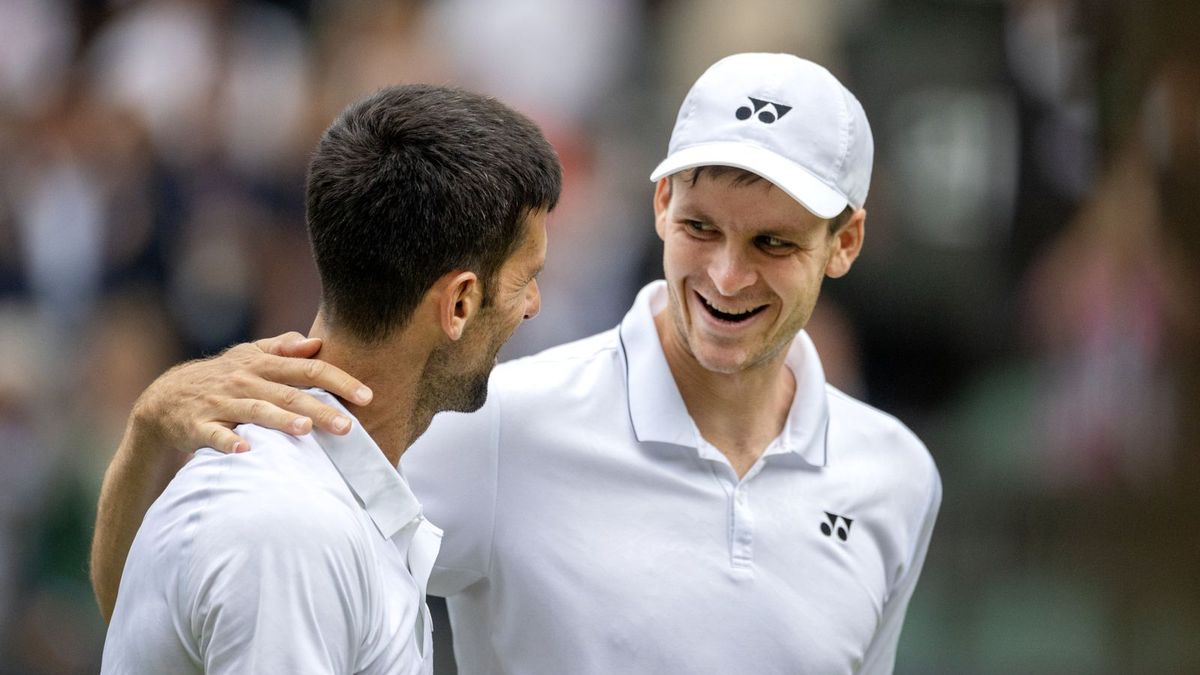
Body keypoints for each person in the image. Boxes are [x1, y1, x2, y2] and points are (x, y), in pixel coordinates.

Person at [92, 53, 940, 674]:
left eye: (774, 243)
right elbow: (178, 586)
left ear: (846, 242)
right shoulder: (487, 421)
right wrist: (154, 422)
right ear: (660, 206)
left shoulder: (898, 478)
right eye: (701, 229)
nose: (725, 274)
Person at [97, 84, 562, 674]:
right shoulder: (289, 527)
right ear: (461, 303)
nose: (533, 305)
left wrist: (145, 430)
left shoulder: (305, 499)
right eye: (527, 278)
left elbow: (134, 616)